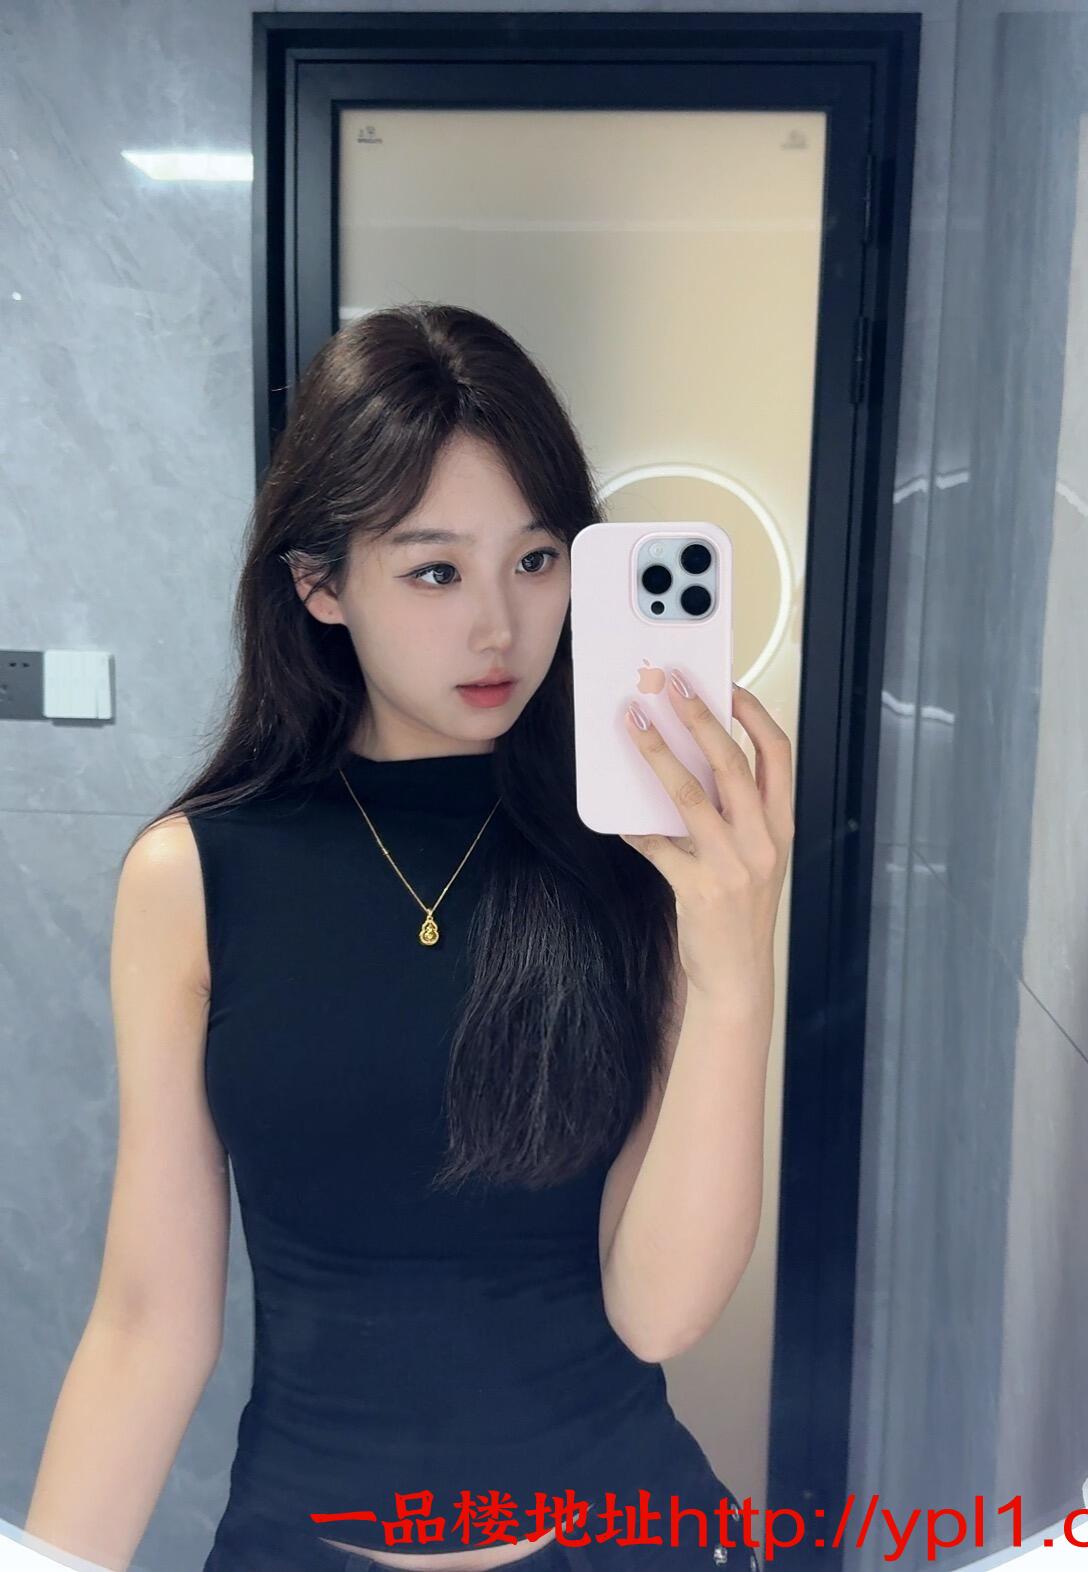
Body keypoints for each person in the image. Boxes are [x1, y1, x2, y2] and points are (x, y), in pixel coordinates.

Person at [23, 304, 794, 1572]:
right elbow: (150, 1323)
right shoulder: (196, 876)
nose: (499, 627)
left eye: (535, 560)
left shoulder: (639, 854)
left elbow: (658, 1311)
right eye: (435, 572)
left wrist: (735, 967)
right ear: (320, 584)